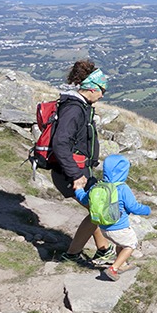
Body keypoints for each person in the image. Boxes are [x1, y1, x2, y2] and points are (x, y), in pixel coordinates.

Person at [53, 59, 116, 265]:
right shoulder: (74, 109)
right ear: (91, 88)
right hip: (72, 172)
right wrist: (76, 175)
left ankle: (103, 249)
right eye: (102, 90)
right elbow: (60, 143)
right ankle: (72, 254)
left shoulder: (82, 106)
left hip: (80, 169)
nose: (103, 95)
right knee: (98, 209)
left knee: (95, 208)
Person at [75, 154, 151, 281]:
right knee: (130, 245)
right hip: (119, 227)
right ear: (123, 171)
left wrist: (78, 189)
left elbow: (83, 198)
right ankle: (113, 269)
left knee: (120, 242)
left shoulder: (98, 186)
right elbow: (133, 207)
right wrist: (147, 210)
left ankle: (123, 264)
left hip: (104, 228)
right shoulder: (122, 188)